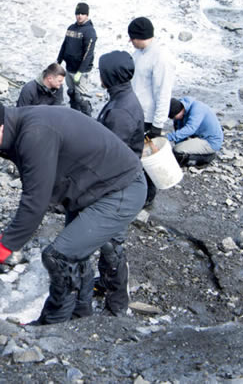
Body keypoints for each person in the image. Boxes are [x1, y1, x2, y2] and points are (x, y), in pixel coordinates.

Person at [0, 97, 146, 324]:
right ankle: (80, 316)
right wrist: (9, 236)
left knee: (59, 255)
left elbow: (35, 199)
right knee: (76, 254)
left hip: (121, 188)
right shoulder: (17, 128)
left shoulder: (34, 133)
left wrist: (9, 243)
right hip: (90, 188)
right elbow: (38, 185)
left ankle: (56, 324)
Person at [94, 51, 144, 315]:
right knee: (107, 239)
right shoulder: (120, 98)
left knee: (112, 244)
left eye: (101, 71)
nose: (98, 75)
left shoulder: (121, 111)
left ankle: (116, 306)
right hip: (118, 182)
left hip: (118, 187)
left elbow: (110, 156)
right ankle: (104, 284)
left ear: (109, 76)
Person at [129, 16, 175, 206]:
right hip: (135, 113)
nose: (130, 41)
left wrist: (158, 124)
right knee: (135, 155)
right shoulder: (138, 54)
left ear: (141, 36)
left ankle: (148, 195)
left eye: (132, 37)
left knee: (148, 157)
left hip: (149, 117)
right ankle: (136, 190)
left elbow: (163, 92)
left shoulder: (160, 57)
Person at [56, 2, 97, 116]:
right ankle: (74, 115)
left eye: (83, 13)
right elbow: (64, 45)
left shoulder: (89, 31)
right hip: (70, 68)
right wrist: (58, 61)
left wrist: (81, 71)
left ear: (87, 15)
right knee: (71, 93)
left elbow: (88, 54)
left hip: (81, 71)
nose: (80, 16)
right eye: (78, 13)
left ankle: (87, 118)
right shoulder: (71, 28)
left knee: (80, 97)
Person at [167, 97, 223, 167]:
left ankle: (207, 157)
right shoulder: (183, 110)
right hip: (200, 136)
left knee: (177, 151)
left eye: (173, 117)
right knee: (177, 149)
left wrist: (168, 137)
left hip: (211, 142)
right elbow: (179, 129)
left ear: (181, 110)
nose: (173, 119)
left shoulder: (197, 109)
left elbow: (190, 128)